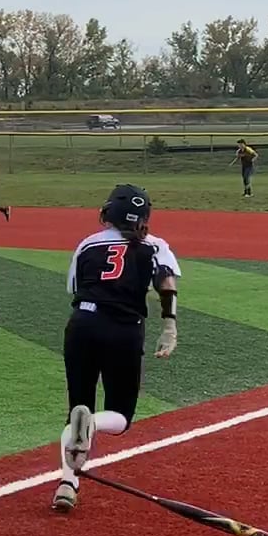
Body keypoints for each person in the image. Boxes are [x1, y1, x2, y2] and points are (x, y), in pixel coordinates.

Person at [51, 184, 182, 514]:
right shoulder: (155, 245)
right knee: (120, 416)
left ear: (108, 212)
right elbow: (166, 283)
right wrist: (169, 327)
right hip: (124, 330)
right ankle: (92, 423)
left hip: (82, 325)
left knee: (77, 407)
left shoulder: (88, 244)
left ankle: (67, 483)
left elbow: (75, 287)